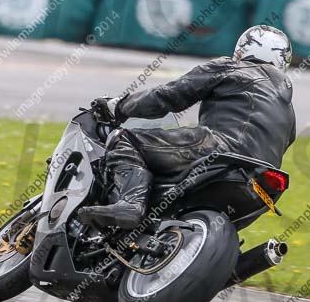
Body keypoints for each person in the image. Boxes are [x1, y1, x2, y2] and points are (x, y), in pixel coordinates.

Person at [77, 24, 297, 230]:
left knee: (126, 139)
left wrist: (118, 107)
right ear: (282, 61)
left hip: (220, 149)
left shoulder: (231, 67)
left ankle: (131, 204)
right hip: (264, 183)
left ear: (241, 50)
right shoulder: (288, 110)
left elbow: (168, 95)